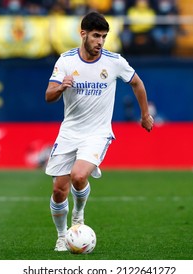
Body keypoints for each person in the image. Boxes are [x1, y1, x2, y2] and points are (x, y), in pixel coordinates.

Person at [44, 11, 154, 251]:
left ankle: (79, 216)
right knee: (58, 191)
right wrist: (62, 87)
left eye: (104, 37)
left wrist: (144, 114)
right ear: (83, 34)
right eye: (96, 36)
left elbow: (137, 83)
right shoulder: (66, 61)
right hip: (69, 132)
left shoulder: (114, 61)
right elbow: (48, 95)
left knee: (79, 175)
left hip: (97, 133)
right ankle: (63, 236)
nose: (100, 42)